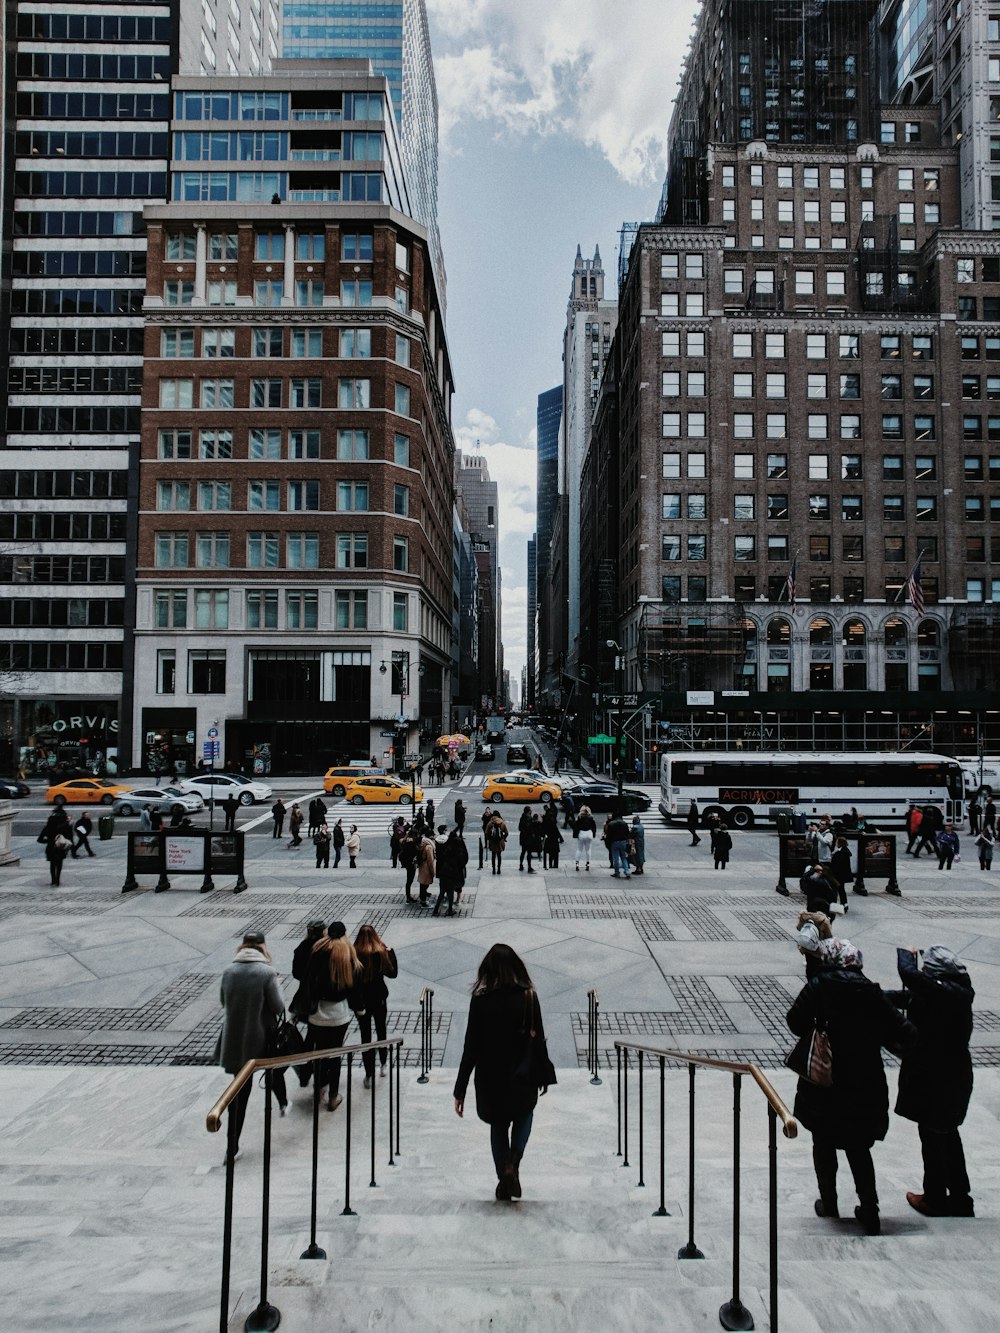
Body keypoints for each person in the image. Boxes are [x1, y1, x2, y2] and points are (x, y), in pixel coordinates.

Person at [786, 937, 913, 1235]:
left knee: (824, 1140)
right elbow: (905, 1033)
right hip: (864, 1080)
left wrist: (820, 1026)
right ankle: (870, 1211)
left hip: (825, 1079)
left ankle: (829, 1203)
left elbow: (794, 1022)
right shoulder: (871, 992)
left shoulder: (820, 986)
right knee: (859, 1147)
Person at [453, 943, 553, 1202]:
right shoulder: (528, 996)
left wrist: (460, 1089)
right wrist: (542, 1073)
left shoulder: (481, 1000)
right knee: (524, 1113)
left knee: (498, 1125)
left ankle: (503, 1180)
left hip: (490, 1075)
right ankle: (514, 1163)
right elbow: (539, 1038)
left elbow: (470, 1047)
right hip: (522, 1072)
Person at [889, 945, 975, 1218]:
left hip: (940, 1077)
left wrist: (907, 954)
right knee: (946, 1134)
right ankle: (961, 1197)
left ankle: (935, 1197)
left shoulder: (946, 994)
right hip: (948, 1075)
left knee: (933, 1135)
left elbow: (910, 976)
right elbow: (913, 996)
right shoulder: (952, 992)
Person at [218, 931, 287, 1155]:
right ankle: (283, 1103)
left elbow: (223, 1001)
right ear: (262, 947)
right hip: (260, 1039)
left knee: (237, 1095)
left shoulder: (229, 971)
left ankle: (232, 1145)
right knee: (273, 1072)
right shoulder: (266, 972)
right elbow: (278, 1007)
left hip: (234, 1039)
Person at [305, 923, 365, 1111]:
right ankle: (333, 1096)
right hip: (338, 1014)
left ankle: (319, 1088)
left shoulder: (318, 950)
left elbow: (307, 980)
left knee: (319, 1053)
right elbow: (354, 987)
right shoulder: (346, 953)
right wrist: (359, 1008)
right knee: (335, 1054)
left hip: (317, 1013)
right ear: (345, 934)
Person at [354, 924, 399, 1087]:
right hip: (379, 998)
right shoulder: (379, 953)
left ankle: (369, 1073)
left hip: (362, 1001)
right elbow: (393, 973)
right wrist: (391, 952)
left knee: (365, 1037)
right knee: (381, 1031)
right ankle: (383, 1063)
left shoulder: (354, 954)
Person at [435, 826, 468, 916]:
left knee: (442, 893)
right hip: (452, 874)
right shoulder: (458, 852)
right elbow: (463, 861)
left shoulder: (447, 849)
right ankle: (450, 910)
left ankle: (436, 910)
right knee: (450, 892)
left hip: (443, 872)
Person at [39, 809, 72, 885]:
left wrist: (49, 841)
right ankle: (58, 880)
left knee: (52, 865)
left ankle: (53, 880)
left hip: (50, 848)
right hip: (61, 847)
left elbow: (40, 839)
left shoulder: (47, 828)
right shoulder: (64, 827)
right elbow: (69, 837)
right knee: (59, 864)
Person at [605, 811, 631, 879]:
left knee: (615, 858)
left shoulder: (611, 824)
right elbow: (627, 833)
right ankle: (626, 870)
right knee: (623, 857)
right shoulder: (624, 823)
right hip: (623, 841)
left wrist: (608, 843)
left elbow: (609, 835)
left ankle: (617, 872)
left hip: (614, 842)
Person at [828, 838, 853, 907]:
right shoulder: (843, 851)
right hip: (842, 875)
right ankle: (844, 903)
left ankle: (840, 904)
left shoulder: (841, 853)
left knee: (837, 889)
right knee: (841, 889)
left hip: (839, 875)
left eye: (837, 843)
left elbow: (837, 864)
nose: (836, 844)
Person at [573, 805, 597, 872]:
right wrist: (594, 834)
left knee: (579, 849)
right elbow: (594, 827)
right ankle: (588, 863)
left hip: (581, 833)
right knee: (588, 849)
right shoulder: (591, 818)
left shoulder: (579, 817)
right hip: (589, 833)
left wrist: (575, 835)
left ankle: (577, 863)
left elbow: (576, 827)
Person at [416, 828, 436, 904]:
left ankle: (423, 897)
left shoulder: (423, 843)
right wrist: (433, 871)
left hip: (422, 866)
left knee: (422, 883)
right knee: (424, 884)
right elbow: (430, 861)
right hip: (426, 868)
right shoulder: (429, 847)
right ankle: (423, 900)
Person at [399, 829, 419, 901]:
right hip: (410, 862)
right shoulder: (411, 843)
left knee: (409, 880)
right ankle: (408, 897)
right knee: (410, 879)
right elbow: (415, 851)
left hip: (406, 862)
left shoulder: (405, 841)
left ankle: (408, 895)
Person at [518, 807, 535, 873]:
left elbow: (519, 828)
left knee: (523, 852)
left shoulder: (522, 817)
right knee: (529, 853)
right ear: (529, 811)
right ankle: (529, 867)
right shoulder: (529, 818)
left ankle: (521, 865)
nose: (532, 810)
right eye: (531, 809)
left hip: (522, 837)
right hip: (528, 838)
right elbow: (530, 828)